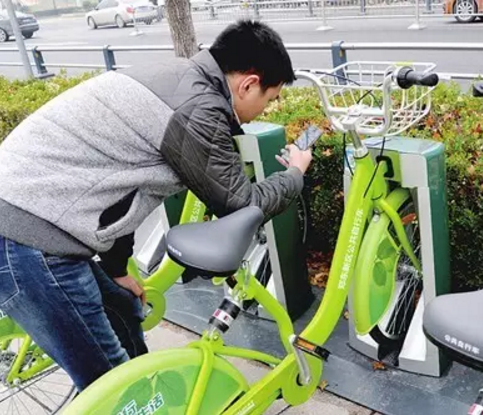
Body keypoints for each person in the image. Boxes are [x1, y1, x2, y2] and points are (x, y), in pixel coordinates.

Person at [0, 19, 311, 391]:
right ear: (249, 84)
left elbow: (121, 185)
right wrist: (295, 173)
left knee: (122, 306)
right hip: (30, 238)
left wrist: (116, 269)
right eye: (269, 99)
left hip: (30, 217)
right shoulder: (197, 108)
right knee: (114, 389)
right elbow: (243, 204)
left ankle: (150, 394)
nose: (267, 109)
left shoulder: (179, 78)